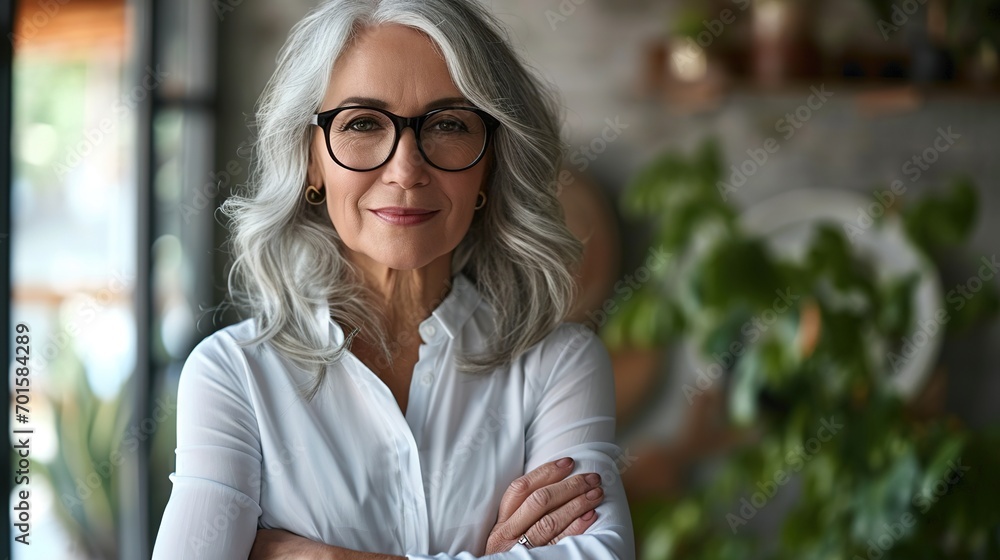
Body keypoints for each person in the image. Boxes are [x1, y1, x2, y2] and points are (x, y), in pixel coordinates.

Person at [151, 1, 635, 558]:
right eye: (362, 123)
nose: (406, 169)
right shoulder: (231, 375)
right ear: (311, 161)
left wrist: (330, 558)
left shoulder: (557, 364)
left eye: (449, 124)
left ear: (490, 165)